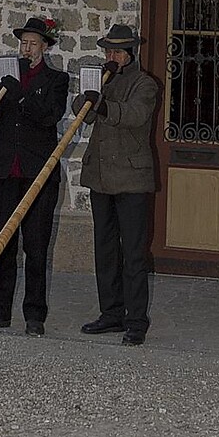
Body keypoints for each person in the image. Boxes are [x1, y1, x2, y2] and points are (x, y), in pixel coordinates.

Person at [0, 15, 69, 336]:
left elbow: (49, 117)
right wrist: (3, 88)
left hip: (37, 173)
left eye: (32, 43)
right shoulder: (8, 74)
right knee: (2, 244)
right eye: (22, 43)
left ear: (44, 46)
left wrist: (23, 97)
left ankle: (34, 314)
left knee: (36, 245)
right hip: (5, 170)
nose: (25, 48)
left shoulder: (57, 79)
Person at [77, 22, 160, 347]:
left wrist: (103, 105)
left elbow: (135, 115)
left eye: (116, 51)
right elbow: (82, 112)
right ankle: (110, 312)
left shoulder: (145, 84)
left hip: (131, 180)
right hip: (100, 177)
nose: (110, 56)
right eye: (107, 51)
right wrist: (85, 99)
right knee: (105, 249)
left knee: (134, 254)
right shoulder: (102, 80)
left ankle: (136, 320)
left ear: (129, 54)